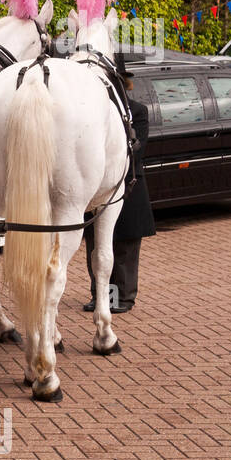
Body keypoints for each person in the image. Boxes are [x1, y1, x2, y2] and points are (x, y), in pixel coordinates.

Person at [84, 58, 155, 313]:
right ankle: (100, 295)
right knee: (95, 245)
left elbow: (138, 150)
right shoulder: (94, 112)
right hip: (99, 188)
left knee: (124, 247)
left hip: (129, 186)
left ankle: (123, 297)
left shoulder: (138, 111)